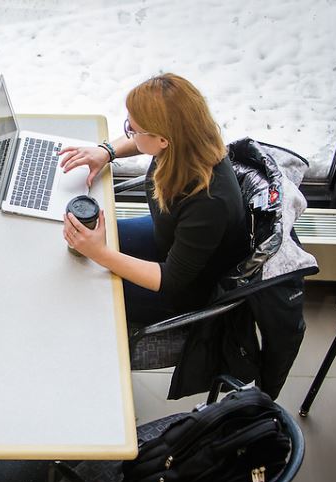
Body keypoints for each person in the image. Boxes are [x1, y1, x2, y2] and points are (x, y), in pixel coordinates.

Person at [59, 73, 249, 324]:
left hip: (184, 289)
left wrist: (100, 253)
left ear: (163, 140)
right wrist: (106, 151)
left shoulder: (210, 203)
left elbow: (171, 279)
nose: (129, 133)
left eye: (133, 129)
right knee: (77, 247)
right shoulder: (187, 144)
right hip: (168, 238)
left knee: (81, 288)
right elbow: (143, 141)